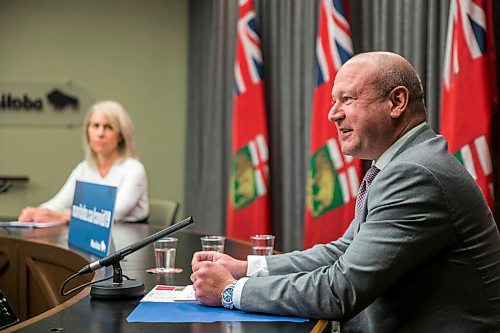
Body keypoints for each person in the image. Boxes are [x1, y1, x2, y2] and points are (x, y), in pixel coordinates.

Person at [190, 52, 500, 331]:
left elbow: (341, 289)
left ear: (397, 102)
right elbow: (342, 252)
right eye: (333, 101)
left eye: (348, 99)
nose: (333, 114)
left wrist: (231, 292)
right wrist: (247, 268)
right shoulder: (404, 161)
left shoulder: (415, 173)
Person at [18, 101, 149, 224]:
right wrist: (37, 212)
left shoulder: (134, 169)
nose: (100, 133)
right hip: (92, 238)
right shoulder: (84, 168)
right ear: (87, 132)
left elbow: (116, 212)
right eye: (95, 126)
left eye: (108, 127)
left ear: (120, 135)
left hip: (130, 241)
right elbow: (60, 203)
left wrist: (64, 216)